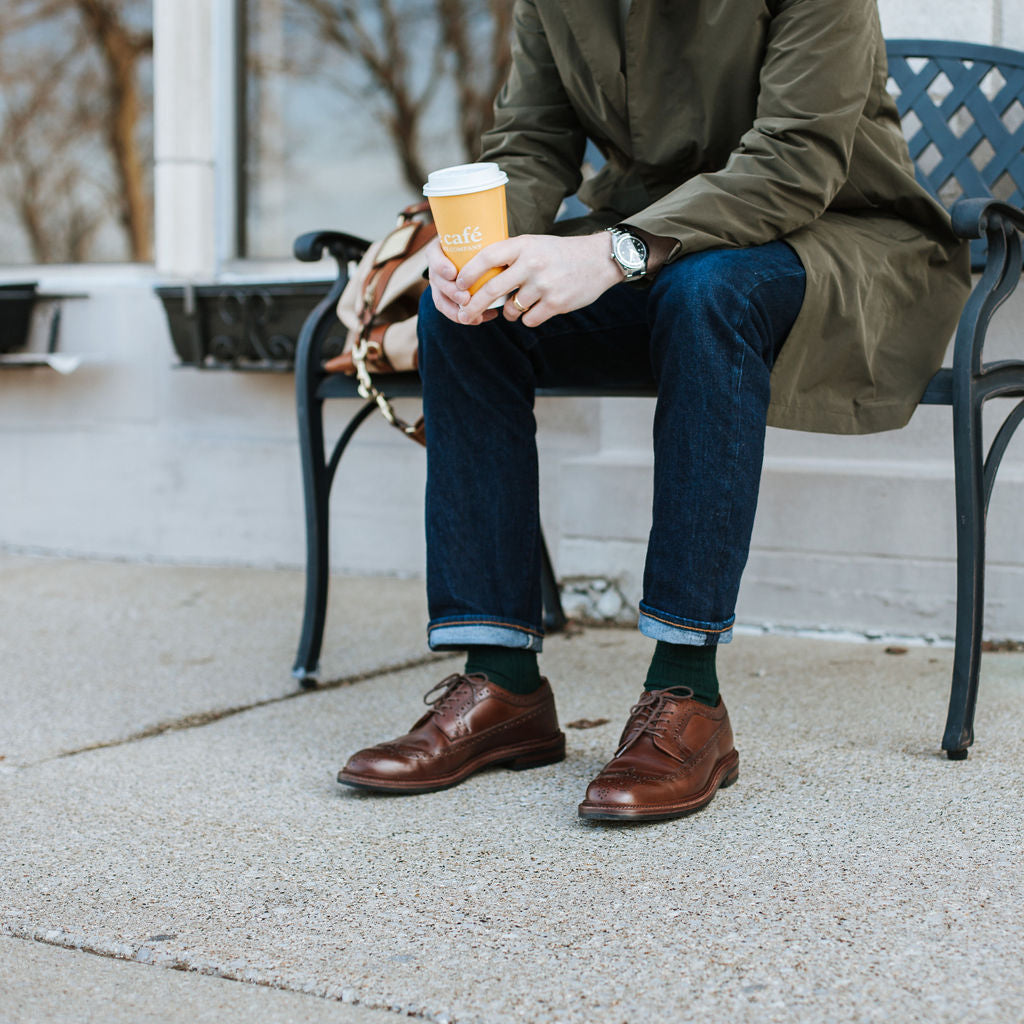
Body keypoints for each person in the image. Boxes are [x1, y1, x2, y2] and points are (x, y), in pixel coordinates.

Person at [337, 0, 970, 821]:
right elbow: (531, 142)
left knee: (709, 291)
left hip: (836, 244)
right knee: (462, 319)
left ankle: (688, 694)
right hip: (647, 255)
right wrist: (475, 259)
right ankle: (500, 684)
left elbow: (796, 160)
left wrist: (612, 251)